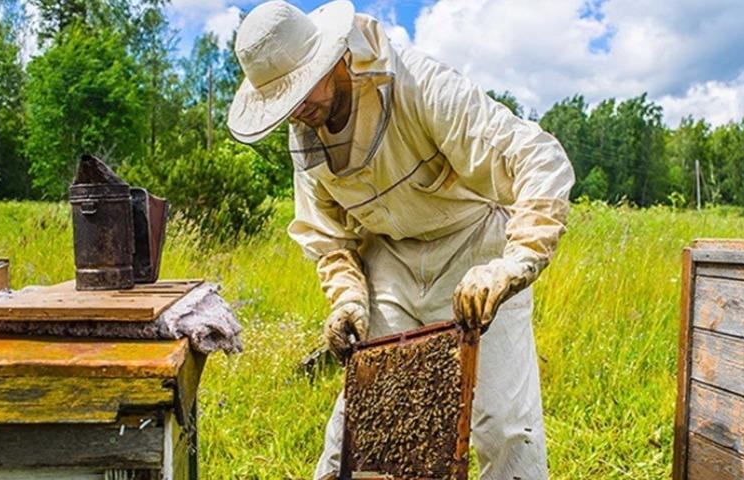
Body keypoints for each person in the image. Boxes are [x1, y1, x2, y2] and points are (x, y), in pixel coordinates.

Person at [227, 1, 575, 478]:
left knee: (504, 424)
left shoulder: (420, 84)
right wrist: (348, 300)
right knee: (362, 419)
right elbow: (328, 238)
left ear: (334, 57)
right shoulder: (305, 132)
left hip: (474, 244)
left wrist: (515, 263)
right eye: (285, 102)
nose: (299, 110)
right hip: (389, 255)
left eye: (302, 88)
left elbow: (538, 158)